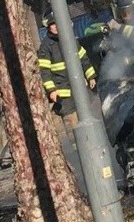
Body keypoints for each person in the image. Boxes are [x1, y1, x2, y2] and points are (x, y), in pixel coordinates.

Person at [37, 10, 98, 140]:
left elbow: (83, 59)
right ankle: (78, 149)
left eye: (57, 23)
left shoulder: (71, 40)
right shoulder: (46, 47)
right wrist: (52, 90)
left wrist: (91, 76)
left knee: (90, 119)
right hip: (64, 97)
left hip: (80, 90)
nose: (56, 26)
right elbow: (44, 72)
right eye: (52, 24)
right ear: (48, 26)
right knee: (73, 127)